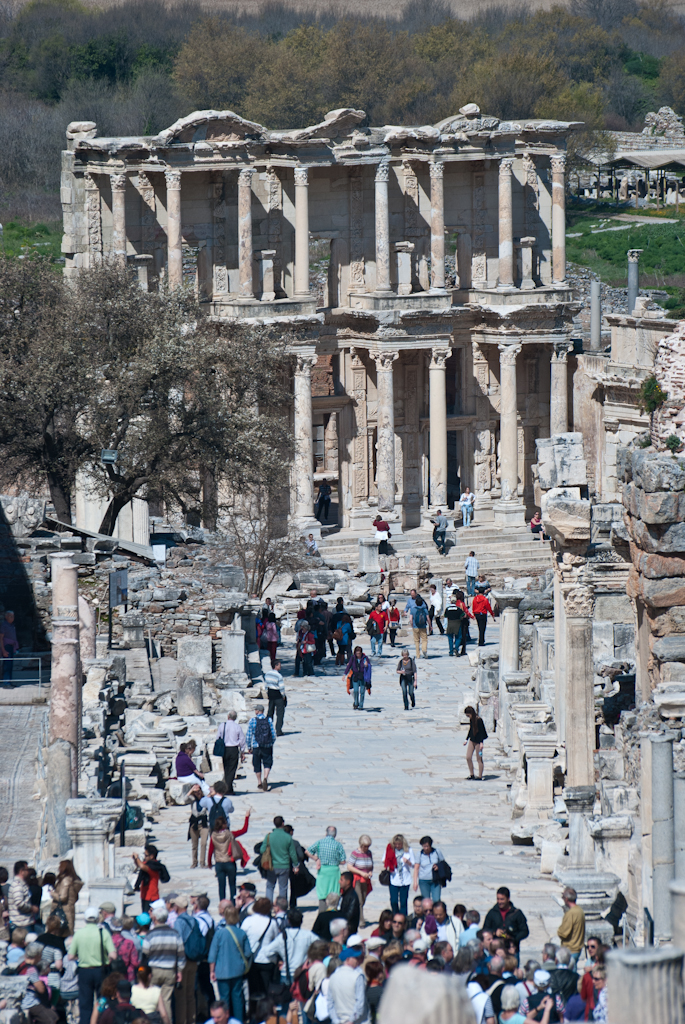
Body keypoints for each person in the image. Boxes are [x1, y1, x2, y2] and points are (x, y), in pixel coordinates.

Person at [68, 906, 117, 1024]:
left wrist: (81, 957)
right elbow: (113, 955)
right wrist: (106, 959)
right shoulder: (103, 932)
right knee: (103, 1001)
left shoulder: (79, 934)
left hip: (84, 970)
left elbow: (70, 956)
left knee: (85, 1002)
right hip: (101, 970)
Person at [141, 906, 185, 1023]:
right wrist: (180, 970)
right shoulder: (175, 934)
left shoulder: (150, 934)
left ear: (154, 918)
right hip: (170, 970)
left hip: (154, 971)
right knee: (166, 1001)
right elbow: (180, 953)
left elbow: (145, 953)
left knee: (152, 1000)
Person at [262, 908, 317, 983]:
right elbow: (321, 946)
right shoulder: (308, 935)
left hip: (286, 972)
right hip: (303, 972)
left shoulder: (282, 936)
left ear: (288, 921)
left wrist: (276, 961)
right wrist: (310, 960)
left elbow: (267, 951)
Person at [209, 812, 251, 902]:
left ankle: (222, 903)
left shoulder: (213, 836)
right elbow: (244, 830)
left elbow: (210, 850)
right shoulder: (230, 834)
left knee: (221, 886)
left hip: (219, 863)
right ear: (224, 825)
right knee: (232, 885)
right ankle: (233, 902)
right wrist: (247, 817)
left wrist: (209, 863)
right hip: (229, 862)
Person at [260, 816, 300, 904]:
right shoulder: (288, 837)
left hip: (272, 866)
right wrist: (296, 865)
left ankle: (268, 907)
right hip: (284, 866)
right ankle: (282, 908)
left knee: (270, 887)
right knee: (283, 887)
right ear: (283, 823)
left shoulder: (269, 836)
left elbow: (262, 850)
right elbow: (292, 853)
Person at [308, 826, 347, 912]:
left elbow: (308, 851)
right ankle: (333, 912)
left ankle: (321, 912)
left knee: (322, 893)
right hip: (334, 871)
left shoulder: (320, 842)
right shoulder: (338, 845)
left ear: (326, 833)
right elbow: (343, 861)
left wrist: (316, 859)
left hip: (323, 870)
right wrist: (336, 861)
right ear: (335, 834)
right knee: (334, 892)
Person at [326, 947, 368, 1024]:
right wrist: (351, 1020)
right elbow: (360, 1002)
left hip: (339, 1020)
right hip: (357, 1021)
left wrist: (336, 1021)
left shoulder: (333, 977)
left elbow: (330, 1003)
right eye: (356, 958)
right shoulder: (358, 976)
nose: (358, 960)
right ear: (348, 960)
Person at [483, 887, 529, 952]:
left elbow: (525, 931)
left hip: (512, 949)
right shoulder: (492, 913)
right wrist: (494, 932)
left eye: (502, 899)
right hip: (496, 950)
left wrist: (513, 938)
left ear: (508, 899)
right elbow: (485, 929)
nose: (499, 902)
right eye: (498, 899)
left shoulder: (517, 913)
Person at [246, 704, 277, 793]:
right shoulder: (269, 720)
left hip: (257, 746)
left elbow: (248, 735)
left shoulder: (252, 720)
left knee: (257, 764)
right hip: (267, 746)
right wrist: (270, 743)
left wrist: (249, 746)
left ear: (257, 711)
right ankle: (265, 778)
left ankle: (259, 782)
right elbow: (273, 735)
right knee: (267, 762)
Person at [214, 712, 246, 795]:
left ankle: (229, 788)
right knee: (232, 770)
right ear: (235, 718)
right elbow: (242, 740)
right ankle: (227, 789)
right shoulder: (237, 727)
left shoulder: (222, 725)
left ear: (228, 716)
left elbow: (218, 737)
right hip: (234, 749)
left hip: (225, 749)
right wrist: (242, 751)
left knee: (227, 768)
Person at [48, 859, 82, 936]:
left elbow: (63, 897)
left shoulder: (65, 880)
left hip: (63, 911)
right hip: (69, 910)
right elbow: (75, 898)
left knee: (61, 934)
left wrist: (52, 894)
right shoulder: (72, 880)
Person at [384, 834, 415, 916]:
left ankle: (403, 919)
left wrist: (408, 862)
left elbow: (413, 865)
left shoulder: (408, 850)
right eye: (396, 844)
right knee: (393, 901)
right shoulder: (390, 850)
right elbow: (384, 860)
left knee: (403, 901)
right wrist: (391, 862)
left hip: (405, 879)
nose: (397, 846)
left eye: (399, 844)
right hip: (394, 878)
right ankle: (395, 915)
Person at [347, 836, 373, 929]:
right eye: (365, 846)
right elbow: (349, 866)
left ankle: (356, 916)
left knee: (363, 898)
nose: (366, 848)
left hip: (366, 879)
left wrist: (370, 872)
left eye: (368, 846)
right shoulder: (355, 853)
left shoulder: (369, 853)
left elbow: (371, 865)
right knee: (359, 900)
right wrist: (361, 872)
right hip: (357, 878)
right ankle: (361, 921)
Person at [556, 888, 585, 967]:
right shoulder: (580, 910)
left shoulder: (570, 913)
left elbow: (563, 933)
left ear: (566, 899)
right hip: (577, 948)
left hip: (570, 949)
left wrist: (559, 931)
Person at [413, 836, 446, 902]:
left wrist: (438, 867)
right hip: (423, 881)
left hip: (435, 880)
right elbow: (416, 868)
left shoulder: (437, 852)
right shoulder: (419, 854)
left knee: (436, 900)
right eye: (424, 846)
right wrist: (415, 882)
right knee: (426, 901)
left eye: (427, 846)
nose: (426, 848)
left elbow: (443, 863)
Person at [9, 861, 37, 929]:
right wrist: (32, 908)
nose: (28, 872)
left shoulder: (21, 884)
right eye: (27, 870)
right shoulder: (18, 885)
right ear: (22, 871)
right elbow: (19, 903)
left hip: (24, 922)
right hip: (21, 924)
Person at [464, 706, 488, 781]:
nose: (468, 717)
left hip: (478, 742)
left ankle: (480, 776)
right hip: (472, 740)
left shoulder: (479, 720)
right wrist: (466, 739)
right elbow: (471, 730)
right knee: (468, 757)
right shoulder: (471, 720)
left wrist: (481, 743)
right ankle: (472, 774)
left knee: (479, 759)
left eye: (468, 715)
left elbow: (482, 732)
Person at [345, 646, 371, 711]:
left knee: (362, 691)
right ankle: (356, 703)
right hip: (355, 676)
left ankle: (361, 705)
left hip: (362, 676)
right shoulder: (353, 658)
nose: (358, 655)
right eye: (357, 653)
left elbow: (369, 666)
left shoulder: (365, 658)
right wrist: (344, 674)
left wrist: (367, 665)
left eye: (359, 653)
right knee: (356, 691)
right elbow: (349, 665)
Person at [265, 662, 287, 736]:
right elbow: (281, 687)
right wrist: (283, 696)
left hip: (271, 694)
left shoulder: (267, 674)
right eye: (279, 665)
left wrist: (267, 693)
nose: (280, 666)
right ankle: (278, 730)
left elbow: (266, 685)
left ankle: (268, 729)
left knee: (270, 712)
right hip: (278, 695)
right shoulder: (278, 676)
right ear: (276, 666)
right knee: (280, 713)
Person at [337, 872, 361, 936]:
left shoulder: (352, 896)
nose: (339, 881)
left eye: (341, 880)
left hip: (349, 929)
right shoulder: (345, 894)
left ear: (348, 882)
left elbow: (349, 915)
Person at [0, 610, 19, 686]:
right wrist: (3, 650)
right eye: (10, 616)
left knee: (10, 665)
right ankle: (6, 682)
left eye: (13, 616)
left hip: (11, 646)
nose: (12, 618)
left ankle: (10, 682)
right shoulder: (4, 625)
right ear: (6, 617)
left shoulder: (12, 625)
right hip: (6, 646)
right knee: (7, 665)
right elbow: (1, 638)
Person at [408, 594, 429, 659]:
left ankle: (418, 655)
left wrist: (412, 625)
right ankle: (424, 650)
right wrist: (430, 626)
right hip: (423, 626)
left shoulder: (413, 609)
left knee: (417, 641)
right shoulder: (425, 609)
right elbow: (428, 619)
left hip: (415, 626)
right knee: (424, 639)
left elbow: (410, 619)